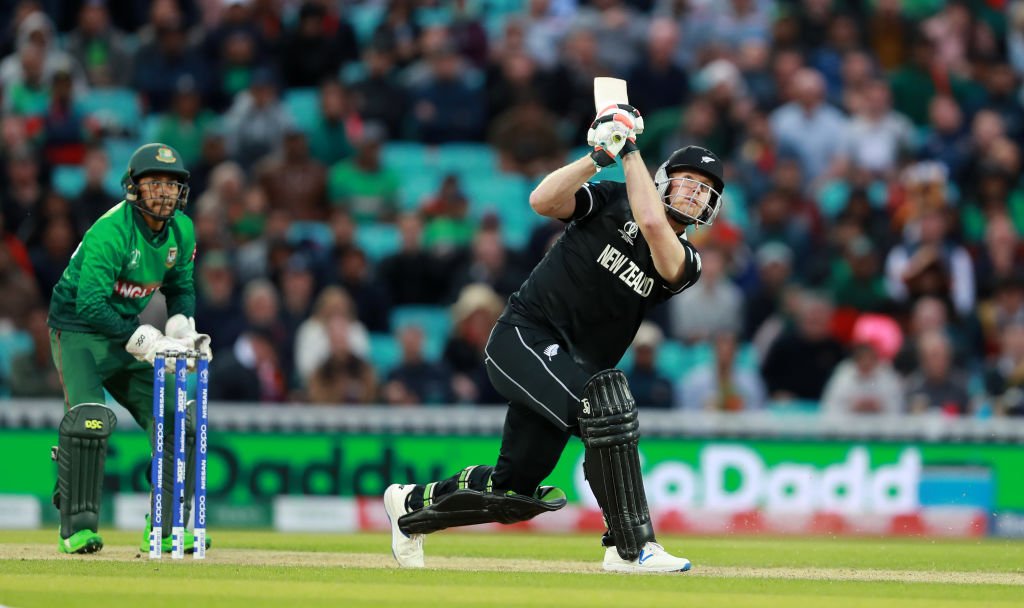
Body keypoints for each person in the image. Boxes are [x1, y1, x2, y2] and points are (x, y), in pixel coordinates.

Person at [384, 102, 724, 573]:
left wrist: (629, 149)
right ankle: (630, 548)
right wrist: (599, 157)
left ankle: (410, 507)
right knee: (606, 408)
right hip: (524, 338)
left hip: (571, 368)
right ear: (663, 180)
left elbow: (651, 226)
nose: (694, 193)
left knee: (512, 492)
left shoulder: (686, 262)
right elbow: (542, 202)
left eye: (705, 190)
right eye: (688, 180)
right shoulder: (610, 199)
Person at [46, 143, 213, 555]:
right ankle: (76, 529)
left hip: (122, 327)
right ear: (133, 188)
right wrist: (145, 339)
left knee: (177, 418)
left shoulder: (182, 231)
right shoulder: (111, 231)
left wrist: (181, 328)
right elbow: (89, 304)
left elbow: (181, 287)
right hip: (77, 329)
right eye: (155, 183)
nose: (164, 193)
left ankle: (166, 527)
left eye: (172, 185)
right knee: (89, 422)